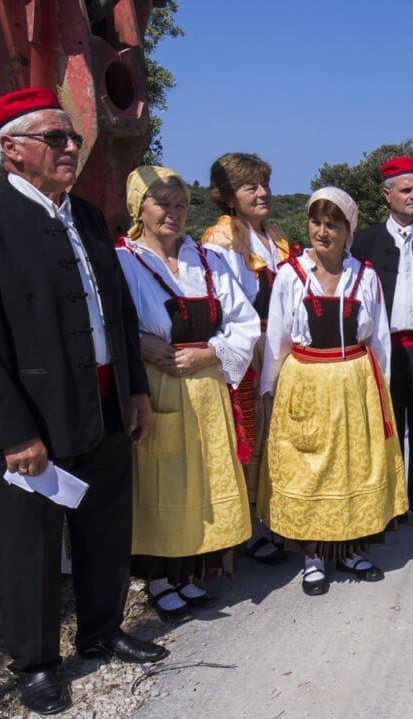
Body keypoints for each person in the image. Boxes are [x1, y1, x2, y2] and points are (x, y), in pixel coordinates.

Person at [0, 88, 167, 716]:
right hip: (31, 416)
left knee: (105, 528)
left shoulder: (85, 214)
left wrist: (134, 390)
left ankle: (102, 631)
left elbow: (117, 310)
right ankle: (36, 663)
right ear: (12, 149)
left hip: (104, 402)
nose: (71, 148)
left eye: (74, 138)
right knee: (31, 546)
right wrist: (12, 431)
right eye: (55, 138)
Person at [115, 166, 260, 623]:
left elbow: (244, 321)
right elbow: (108, 321)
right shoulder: (122, 261)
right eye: (162, 204)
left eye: (180, 205)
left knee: (203, 478)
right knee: (163, 480)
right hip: (157, 387)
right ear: (139, 208)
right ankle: (159, 577)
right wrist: (140, 342)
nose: (173, 214)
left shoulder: (208, 260)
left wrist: (210, 352)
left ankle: (191, 571)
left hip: (206, 386)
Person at [258, 188, 407, 595]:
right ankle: (314, 556)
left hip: (354, 384)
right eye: (316, 222)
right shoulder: (291, 275)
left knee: (352, 467)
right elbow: (277, 338)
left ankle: (349, 549)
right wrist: (270, 388)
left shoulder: (365, 276)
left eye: (332, 225)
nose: (322, 232)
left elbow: (378, 338)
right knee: (312, 470)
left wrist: (382, 391)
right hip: (306, 381)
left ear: (348, 231)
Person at [201, 153, 292, 565]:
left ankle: (274, 513)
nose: (262, 193)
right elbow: (226, 305)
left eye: (264, 185)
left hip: (279, 345)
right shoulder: (220, 240)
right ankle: (248, 527)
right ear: (227, 196)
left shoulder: (276, 237)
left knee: (277, 433)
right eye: (249, 187)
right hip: (247, 347)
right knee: (248, 435)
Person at [351, 157, 413, 530]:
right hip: (383, 351)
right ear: (386, 195)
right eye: (406, 190)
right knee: (385, 428)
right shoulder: (364, 242)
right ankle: (389, 502)